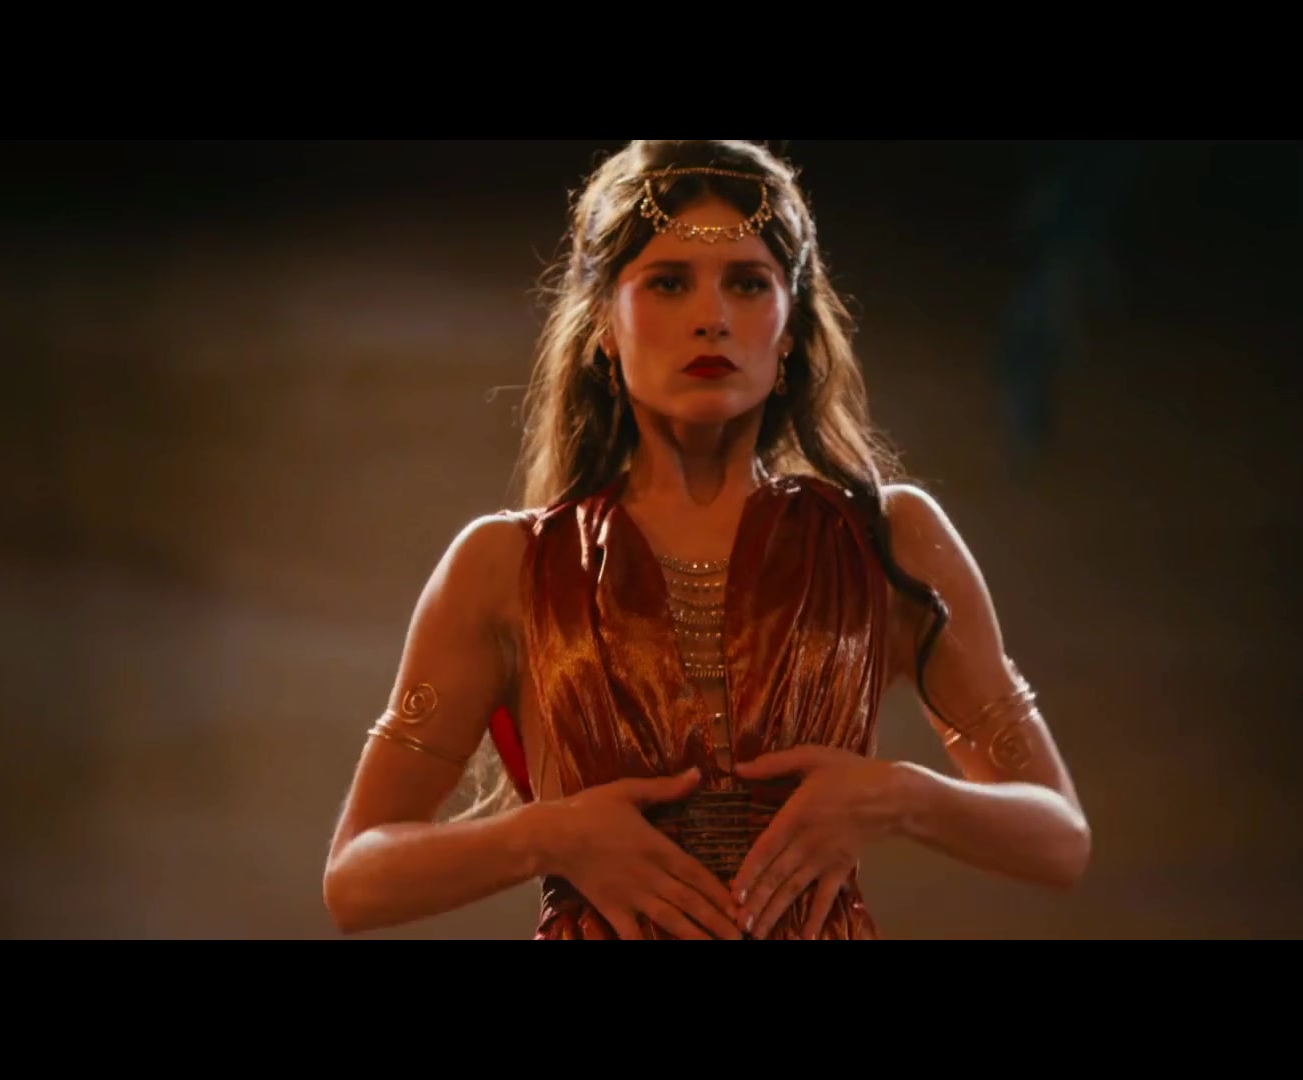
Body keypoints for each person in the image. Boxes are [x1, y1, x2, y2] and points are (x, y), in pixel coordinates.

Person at [322, 140, 1090, 940]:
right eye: (667, 282)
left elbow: (1059, 837)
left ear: (789, 330)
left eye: (748, 284)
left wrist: (894, 796)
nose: (711, 318)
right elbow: (356, 880)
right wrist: (548, 836)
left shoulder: (887, 540)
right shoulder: (506, 565)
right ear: (604, 324)